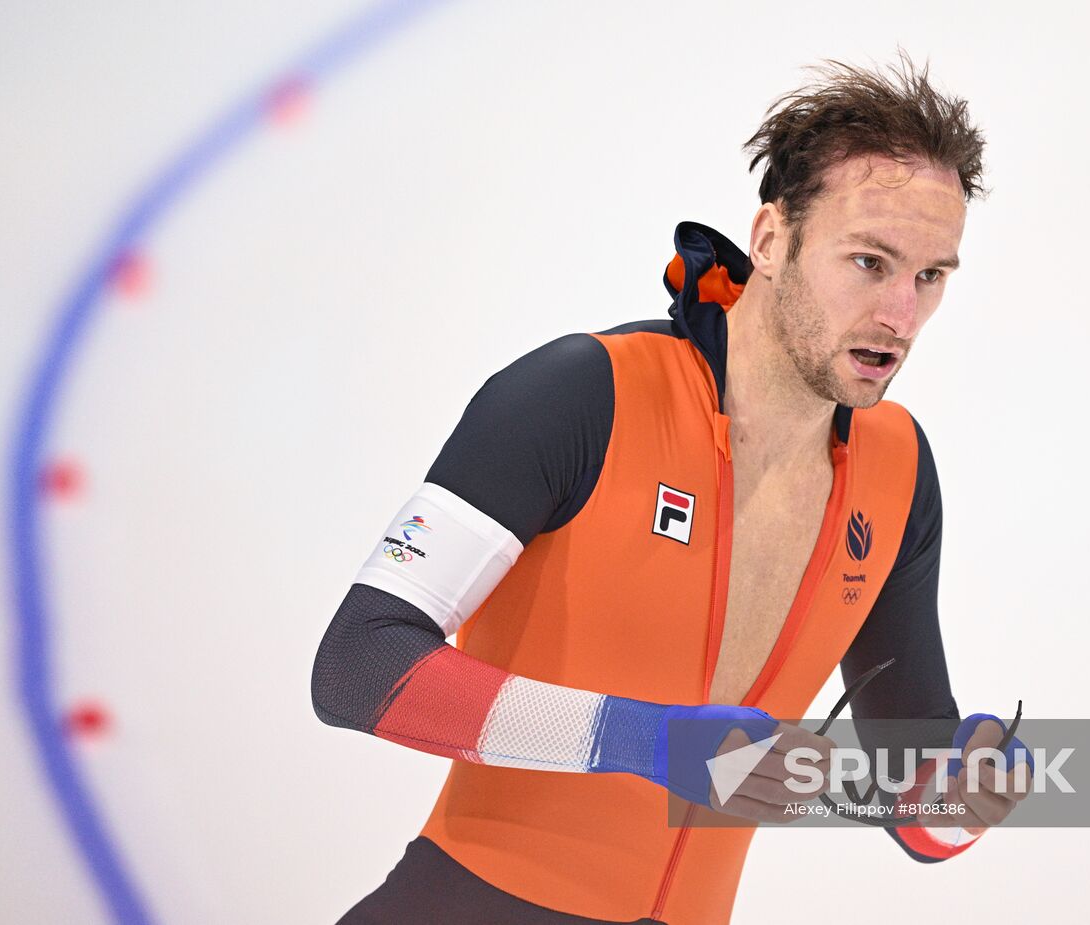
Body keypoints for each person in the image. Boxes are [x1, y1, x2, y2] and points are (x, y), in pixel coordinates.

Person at [311, 53, 1031, 925]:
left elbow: (909, 800)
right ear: (771, 240)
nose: (900, 316)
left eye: (931, 276)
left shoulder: (898, 472)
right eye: (869, 262)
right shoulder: (583, 394)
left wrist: (969, 795)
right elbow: (357, 664)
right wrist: (646, 740)